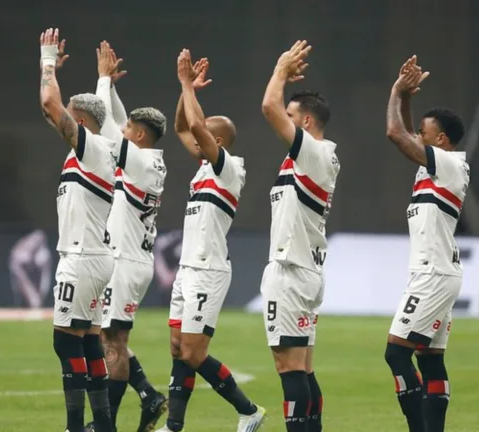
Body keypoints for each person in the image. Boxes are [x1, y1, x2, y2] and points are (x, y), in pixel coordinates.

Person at [156, 49, 265, 432]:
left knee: (193, 352)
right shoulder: (205, 166)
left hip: (208, 270)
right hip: (188, 268)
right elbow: (182, 127)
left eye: (205, 133)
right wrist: (185, 90)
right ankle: (174, 426)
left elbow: (195, 126)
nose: (197, 136)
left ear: (217, 140)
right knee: (177, 348)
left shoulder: (228, 169)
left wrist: (188, 86)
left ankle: (249, 411)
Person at [83, 41, 168, 432]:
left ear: (141, 135)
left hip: (125, 263)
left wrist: (102, 80)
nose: (124, 131)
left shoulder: (140, 161)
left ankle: (107, 425)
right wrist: (112, 88)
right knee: (109, 337)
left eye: (130, 130)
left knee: (111, 343)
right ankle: (148, 395)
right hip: (131, 260)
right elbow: (118, 122)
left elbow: (106, 129)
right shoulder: (146, 158)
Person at [384, 56, 469, 432]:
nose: (418, 135)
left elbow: (395, 134)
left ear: (442, 140)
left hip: (433, 274)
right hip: (436, 271)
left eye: (425, 132)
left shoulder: (449, 165)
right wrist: (406, 98)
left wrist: (395, 91)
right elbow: (406, 133)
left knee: (396, 353)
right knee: (430, 359)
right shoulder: (432, 167)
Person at [260, 40, 340, 432]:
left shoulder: (313, 153)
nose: (285, 122)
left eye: (292, 117)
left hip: (292, 271)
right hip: (305, 269)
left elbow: (268, 107)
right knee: (303, 368)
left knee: (289, 368)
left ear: (306, 123)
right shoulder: (310, 158)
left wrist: (280, 69)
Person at [39, 28, 116, 432]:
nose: (62, 119)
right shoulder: (95, 151)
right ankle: (103, 425)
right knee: (88, 340)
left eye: (71, 115)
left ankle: (74, 427)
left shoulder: (92, 149)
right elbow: (52, 110)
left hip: (82, 257)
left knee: (65, 341)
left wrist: (47, 61)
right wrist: (55, 77)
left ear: (81, 122)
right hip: (95, 256)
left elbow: (50, 104)